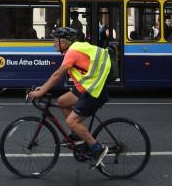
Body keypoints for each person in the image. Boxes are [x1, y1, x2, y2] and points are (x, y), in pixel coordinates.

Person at [28, 27, 111, 169]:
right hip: (85, 88)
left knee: (72, 121)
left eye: (56, 41)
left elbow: (57, 75)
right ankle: (77, 135)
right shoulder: (74, 48)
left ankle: (97, 148)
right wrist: (42, 88)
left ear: (64, 43)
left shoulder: (72, 53)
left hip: (94, 91)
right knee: (61, 102)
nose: (54, 44)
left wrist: (41, 92)